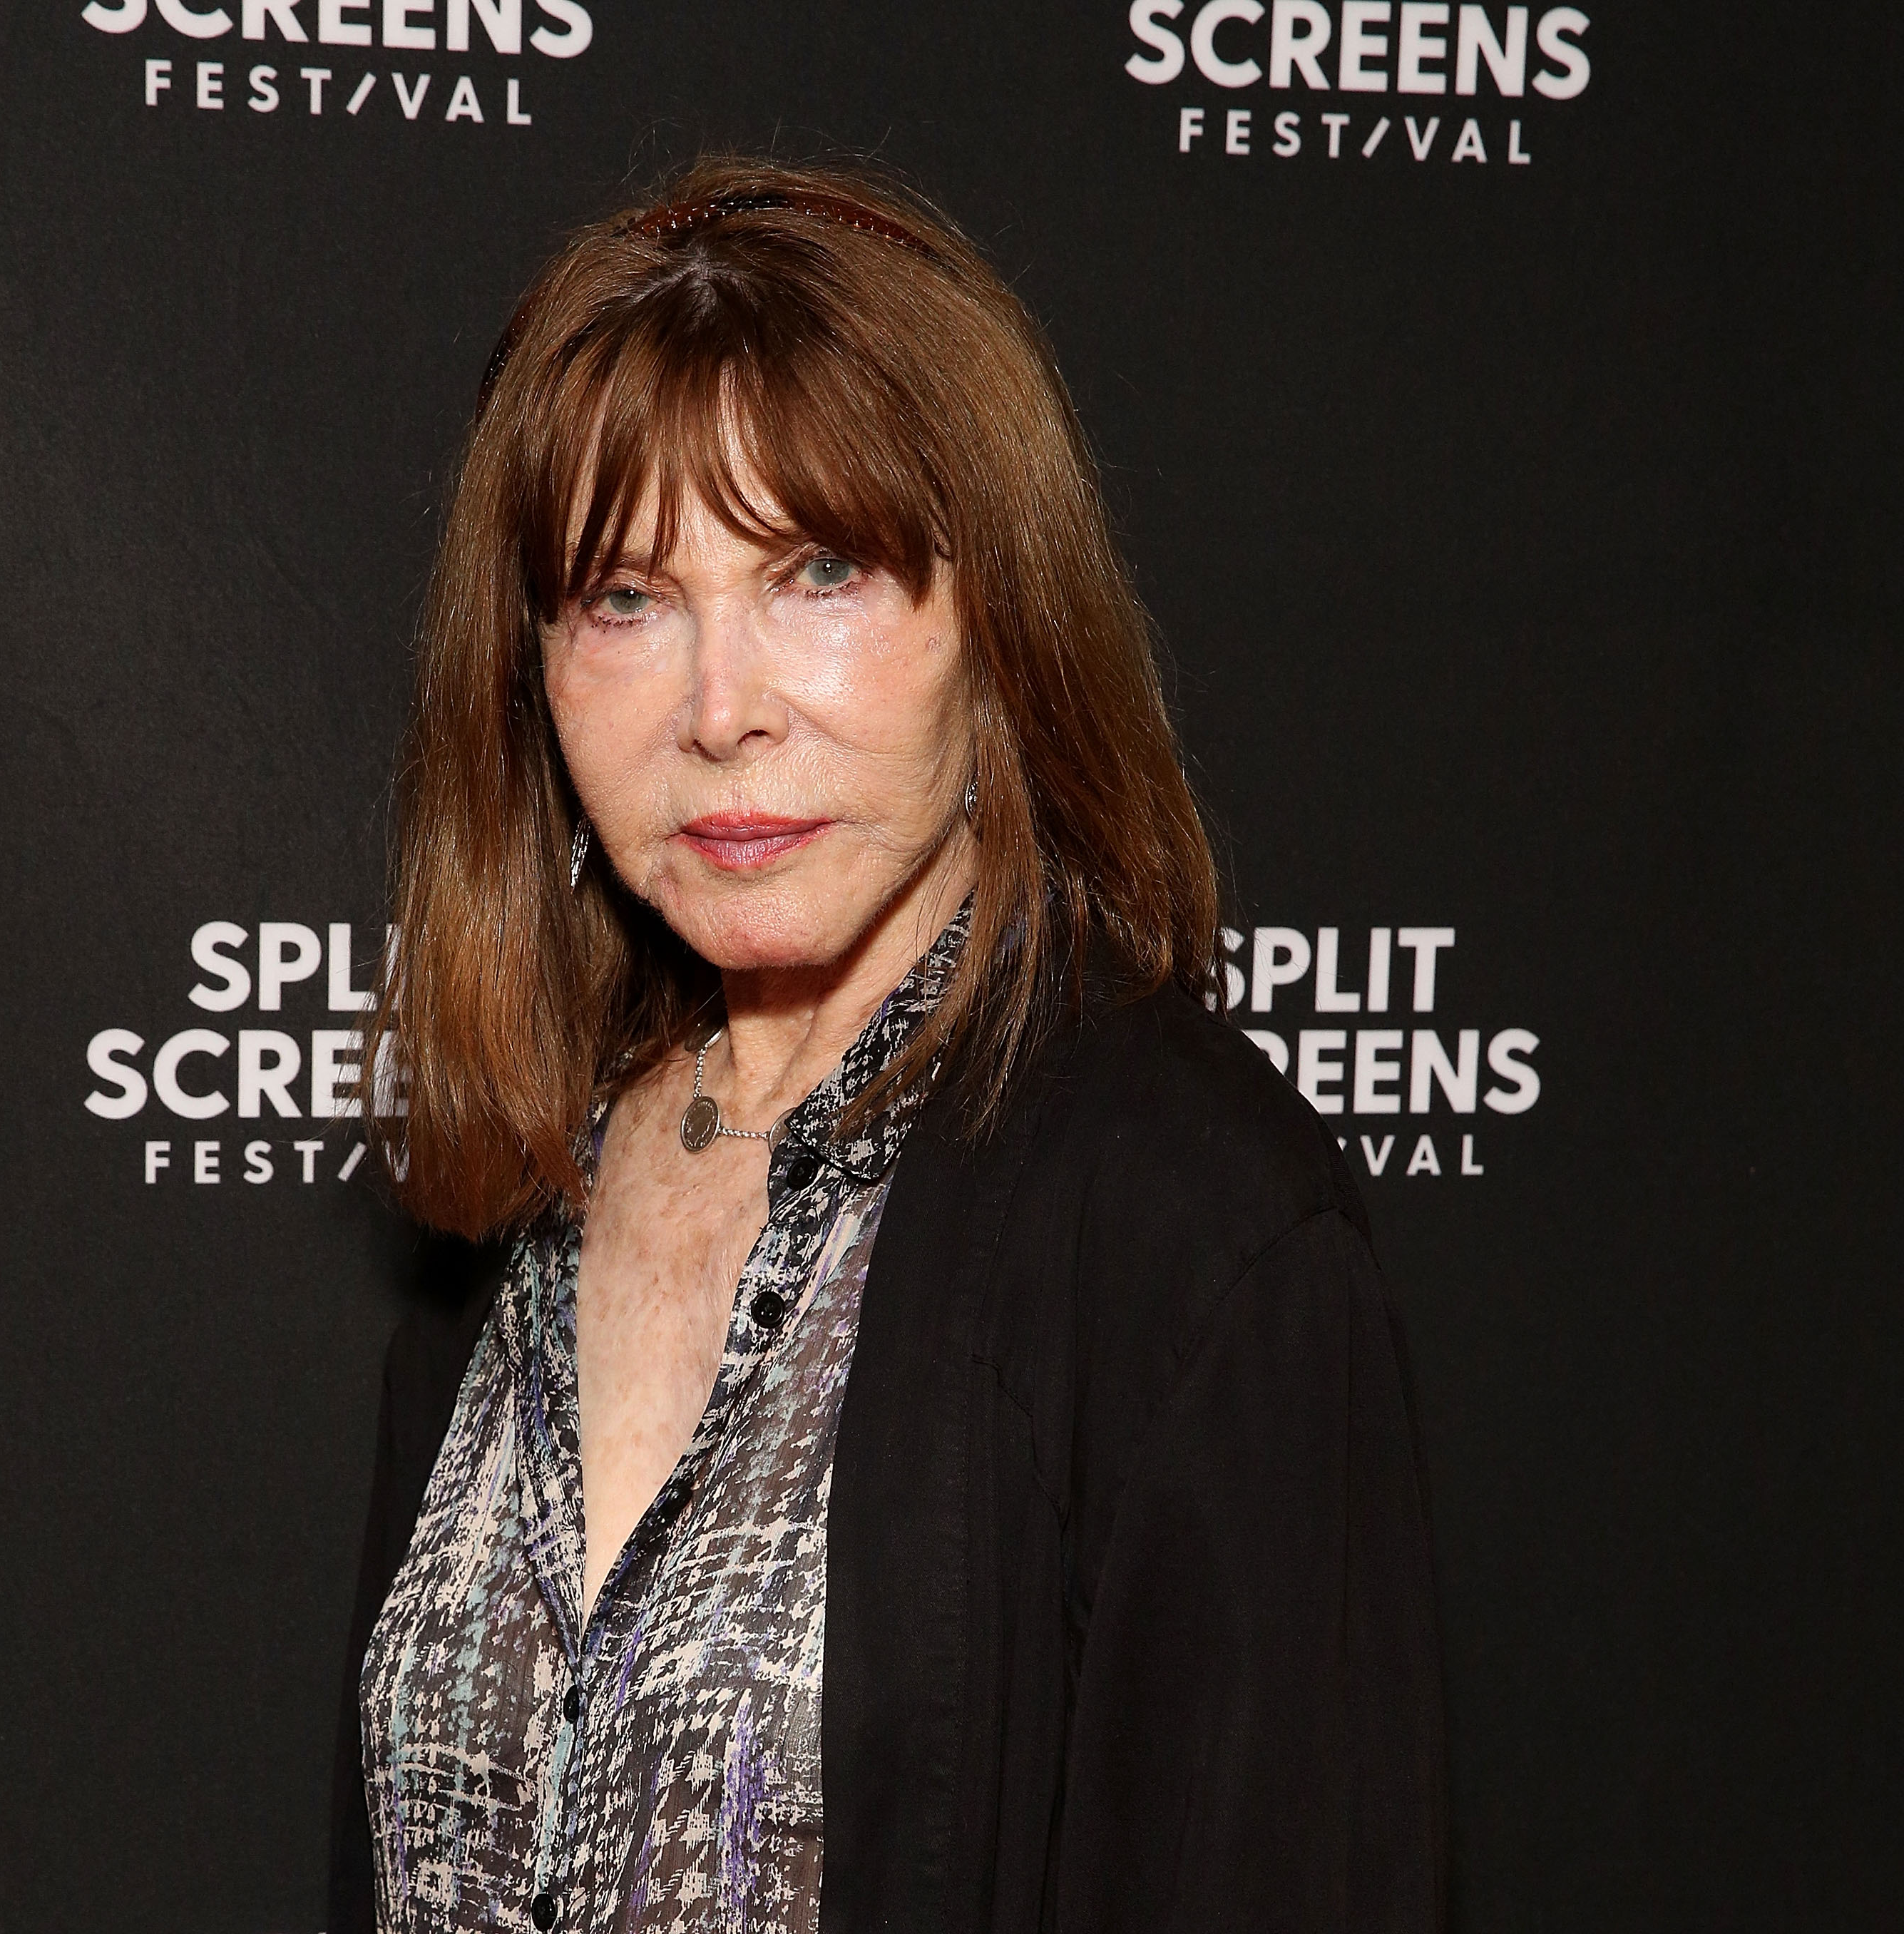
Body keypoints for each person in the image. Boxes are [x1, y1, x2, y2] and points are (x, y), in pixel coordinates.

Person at [329, 155, 1445, 1934]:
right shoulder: (514, 1214)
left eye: (820, 571)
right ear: (531, 672)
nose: (721, 709)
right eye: (625, 598)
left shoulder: (1191, 1231)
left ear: (992, 626)